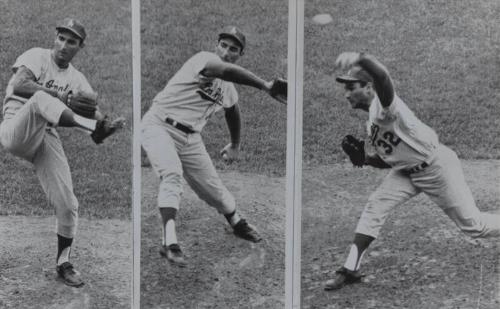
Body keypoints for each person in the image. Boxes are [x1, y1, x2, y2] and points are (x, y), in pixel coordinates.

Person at [324, 51, 500, 291]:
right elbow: (392, 160)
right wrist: (365, 159)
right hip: (407, 172)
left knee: (476, 226)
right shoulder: (371, 121)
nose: (346, 94)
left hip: (436, 169)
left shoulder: (385, 108)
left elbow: (384, 77)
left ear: (368, 88)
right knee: (376, 204)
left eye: (351, 87)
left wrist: (359, 58)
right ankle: (350, 268)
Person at [141, 26, 286, 267]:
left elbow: (233, 111)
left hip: (190, 138)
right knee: (172, 174)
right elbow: (225, 69)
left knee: (214, 188)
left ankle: (236, 221)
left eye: (234, 49)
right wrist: (265, 85)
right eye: (224, 45)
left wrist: (235, 144)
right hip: (158, 125)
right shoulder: (204, 60)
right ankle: (169, 241)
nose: (227, 52)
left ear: (241, 54)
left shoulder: (228, 87)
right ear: (216, 45)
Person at [0, 18, 125, 287]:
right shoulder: (36, 56)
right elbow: (20, 85)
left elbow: (94, 119)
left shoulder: (77, 79)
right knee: (41, 99)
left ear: (80, 46)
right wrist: (67, 101)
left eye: (71, 42)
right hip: (14, 126)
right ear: (55, 37)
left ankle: (63, 262)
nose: (63, 46)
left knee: (68, 203)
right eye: (61, 38)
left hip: (45, 135)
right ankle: (88, 126)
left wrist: (106, 125)